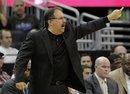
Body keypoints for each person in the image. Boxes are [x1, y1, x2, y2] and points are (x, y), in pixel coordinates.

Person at [15, 7, 123, 94]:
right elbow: (22, 57)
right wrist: (19, 78)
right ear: (50, 22)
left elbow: (87, 27)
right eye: (61, 18)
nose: (64, 21)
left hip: (62, 87)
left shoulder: (68, 32)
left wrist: (108, 18)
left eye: (64, 18)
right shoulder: (36, 37)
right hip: (41, 88)